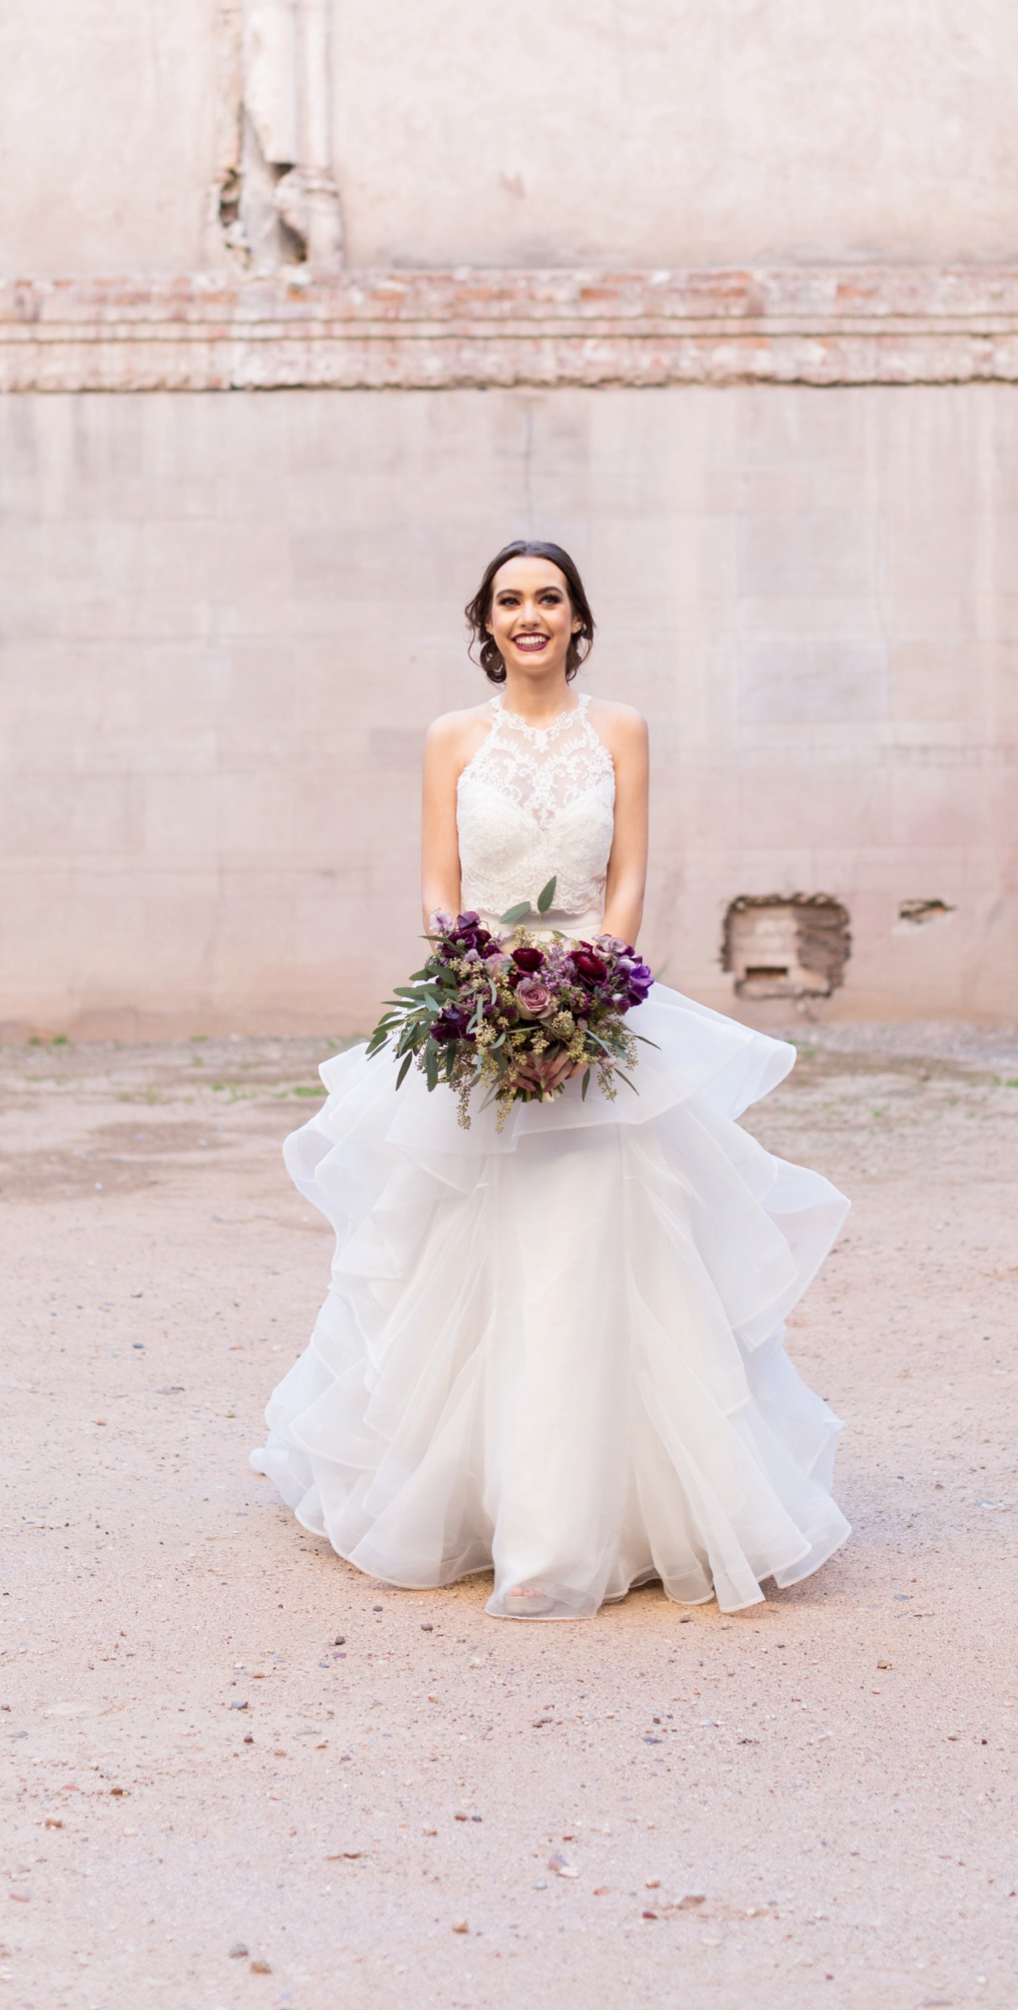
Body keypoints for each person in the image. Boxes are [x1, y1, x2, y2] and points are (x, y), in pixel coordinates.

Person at [250, 541, 851, 1619]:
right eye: (509, 600)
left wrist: (588, 993)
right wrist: (482, 989)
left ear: (577, 618)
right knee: (468, 1253)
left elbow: (625, 878)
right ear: (485, 622)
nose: (529, 615)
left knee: (595, 1254)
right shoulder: (448, 738)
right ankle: (476, 1506)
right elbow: (439, 886)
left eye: (549, 598)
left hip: (594, 1019)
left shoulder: (619, 730)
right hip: (478, 1013)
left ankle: (587, 1525)